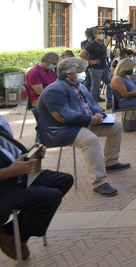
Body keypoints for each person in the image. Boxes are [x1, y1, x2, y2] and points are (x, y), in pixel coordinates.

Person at [36, 58, 129, 197]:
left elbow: (93, 103)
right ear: (69, 73)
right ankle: (99, 182)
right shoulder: (54, 90)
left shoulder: (79, 85)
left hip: (83, 123)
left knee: (116, 126)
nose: (83, 73)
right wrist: (90, 119)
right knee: (90, 140)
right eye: (80, 71)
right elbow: (63, 115)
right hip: (61, 129)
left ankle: (111, 162)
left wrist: (99, 114)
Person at [0, 114, 73, 261]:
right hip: (4, 186)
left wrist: (30, 153)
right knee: (51, 197)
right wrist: (10, 171)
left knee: (64, 180)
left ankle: (12, 232)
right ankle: (18, 238)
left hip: (17, 175)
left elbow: (7, 151)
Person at [80, 27, 112, 106]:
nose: (102, 34)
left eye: (102, 33)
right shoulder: (92, 44)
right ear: (95, 35)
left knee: (110, 84)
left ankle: (109, 102)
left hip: (104, 67)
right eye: (99, 33)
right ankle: (93, 104)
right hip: (96, 69)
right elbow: (82, 54)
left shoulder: (103, 44)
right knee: (95, 87)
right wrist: (90, 62)